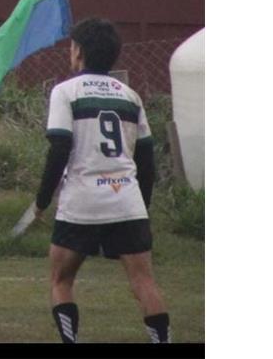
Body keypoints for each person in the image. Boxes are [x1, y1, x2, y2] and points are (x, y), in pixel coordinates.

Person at [32, 18, 170, 344]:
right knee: (144, 283)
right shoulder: (131, 97)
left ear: (78, 52)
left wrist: (42, 200)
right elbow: (146, 162)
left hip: (82, 201)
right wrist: (141, 206)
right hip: (127, 201)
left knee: (61, 280)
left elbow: (59, 148)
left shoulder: (66, 92)